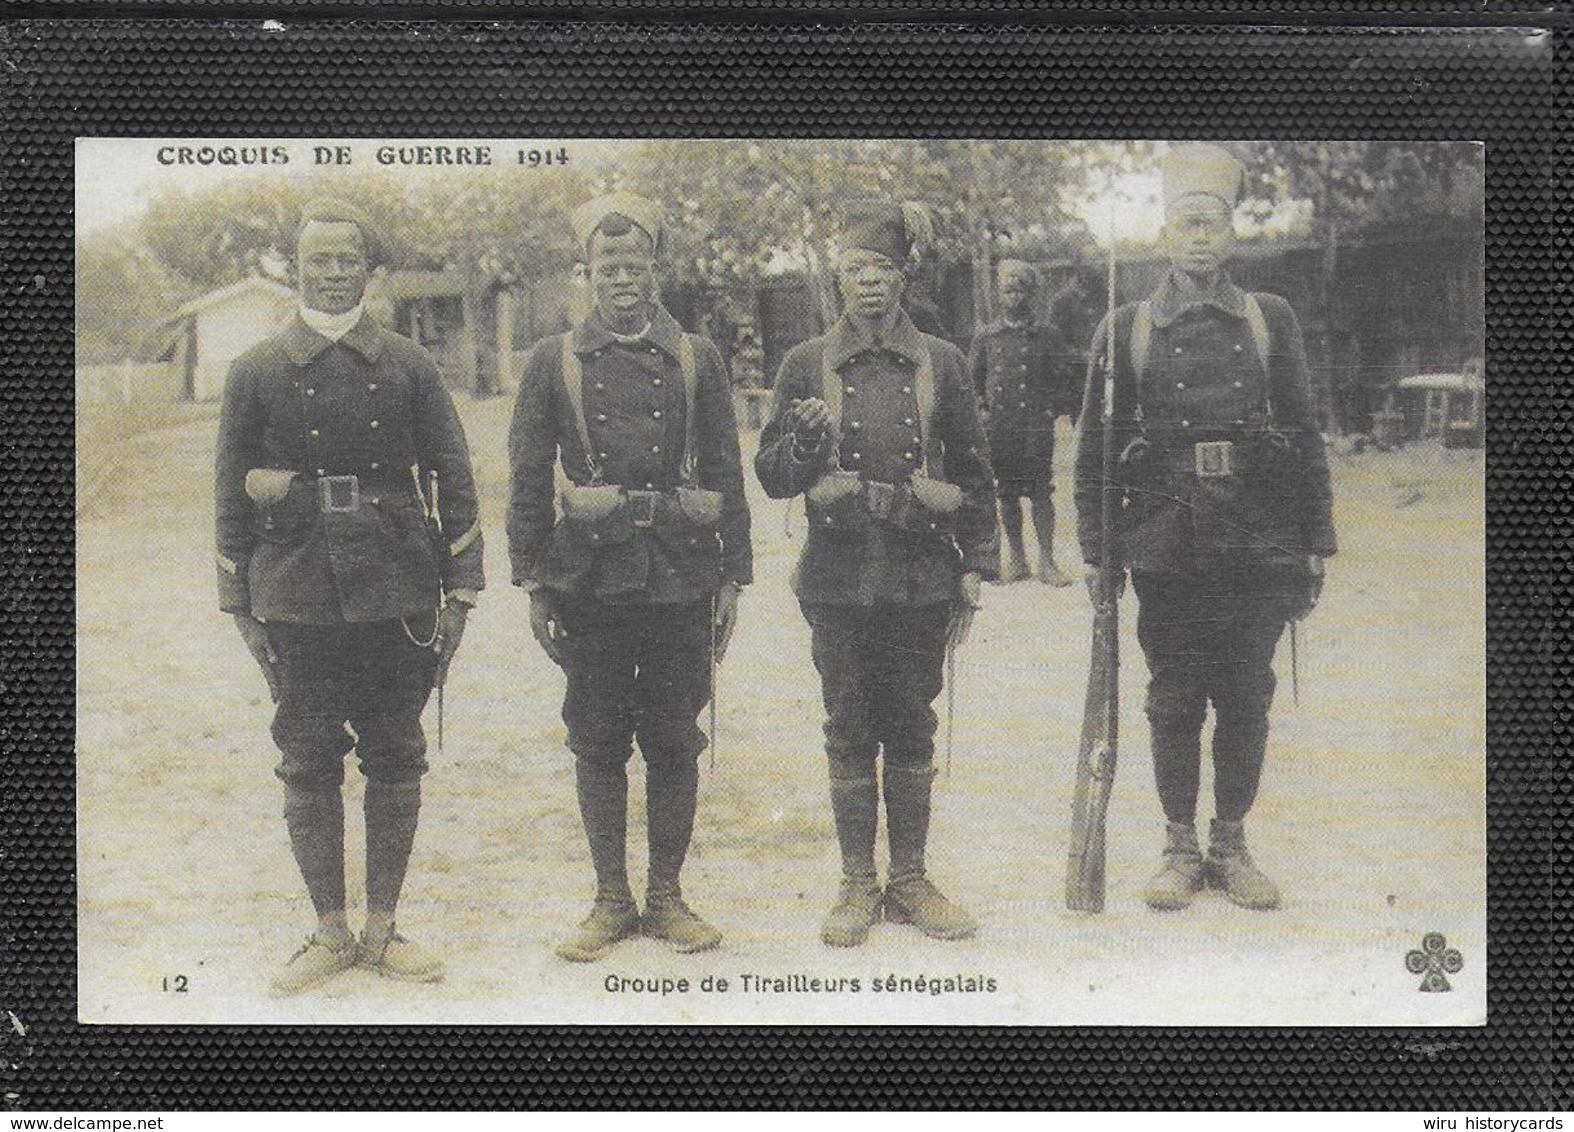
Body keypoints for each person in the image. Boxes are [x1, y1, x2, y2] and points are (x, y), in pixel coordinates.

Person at [214, 197, 484, 995]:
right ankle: (328, 931)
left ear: (370, 272)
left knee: (396, 752)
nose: (332, 274)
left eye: (347, 260)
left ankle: (383, 927)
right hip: (294, 587)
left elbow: (455, 478)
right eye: (317, 259)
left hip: (399, 585)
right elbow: (230, 493)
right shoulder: (256, 369)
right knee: (306, 757)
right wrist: (238, 601)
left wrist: (461, 589)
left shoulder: (408, 363)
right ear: (294, 268)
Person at [1073, 144, 1337, 912]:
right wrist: (1098, 553)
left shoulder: (1269, 320)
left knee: (1248, 694)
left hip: (1259, 539)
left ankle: (1231, 841)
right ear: (1163, 237)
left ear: (1232, 237)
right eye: (1184, 223)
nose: (1197, 236)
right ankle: (1179, 845)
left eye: (1211, 223)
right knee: (1175, 697)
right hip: (1167, 543)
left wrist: (1316, 541)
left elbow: (1305, 428)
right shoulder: (1125, 327)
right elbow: (1092, 451)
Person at [507, 191, 752, 962]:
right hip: (590, 576)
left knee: (676, 735)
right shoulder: (555, 360)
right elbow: (524, 475)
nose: (622, 276)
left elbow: (724, 467)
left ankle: (668, 896)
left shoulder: (696, 356)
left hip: (681, 569)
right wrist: (535, 581)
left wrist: (732, 576)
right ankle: (611, 898)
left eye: (635, 262)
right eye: (606, 263)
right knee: (598, 735)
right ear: (587, 272)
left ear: (655, 269)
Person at [756, 199, 999, 948]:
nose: (871, 283)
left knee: (914, 720)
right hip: (838, 576)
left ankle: (912, 879)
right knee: (849, 722)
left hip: (922, 574)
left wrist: (976, 563)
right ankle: (858, 883)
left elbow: (977, 470)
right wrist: (802, 452)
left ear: (904, 276)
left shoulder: (943, 361)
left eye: (885, 268)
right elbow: (769, 474)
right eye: (858, 268)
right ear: (838, 276)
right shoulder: (806, 362)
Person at [968, 259, 1078, 586]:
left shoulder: (1047, 335)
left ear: (1031, 294)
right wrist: (983, 412)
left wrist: (1051, 411)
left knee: (1041, 492)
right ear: (1000, 295)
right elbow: (972, 384)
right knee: (1007, 493)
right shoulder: (986, 337)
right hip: (1000, 429)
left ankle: (1047, 560)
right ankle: (1017, 559)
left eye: (1021, 290)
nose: (1014, 296)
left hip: (1035, 428)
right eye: (1007, 290)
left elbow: (1065, 380)